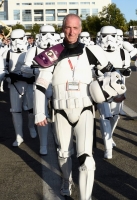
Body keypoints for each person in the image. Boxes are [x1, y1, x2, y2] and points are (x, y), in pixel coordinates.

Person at [31, 14, 126, 199]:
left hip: (84, 110)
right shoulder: (53, 52)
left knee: (87, 161)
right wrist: (39, 112)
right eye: (68, 27)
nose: (71, 31)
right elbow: (40, 85)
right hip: (60, 111)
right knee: (64, 154)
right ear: (62, 28)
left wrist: (117, 93)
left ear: (80, 29)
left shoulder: (92, 51)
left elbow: (111, 74)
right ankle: (66, 181)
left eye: (75, 28)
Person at [21, 25, 57, 155]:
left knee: (59, 115)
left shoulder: (59, 50)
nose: (48, 37)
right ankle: (43, 145)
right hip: (38, 85)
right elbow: (24, 68)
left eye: (51, 34)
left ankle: (60, 142)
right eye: (45, 33)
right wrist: (36, 70)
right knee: (39, 114)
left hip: (55, 85)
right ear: (39, 35)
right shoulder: (34, 50)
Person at [97, 25, 131, 159]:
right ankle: (108, 148)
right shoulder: (96, 51)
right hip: (101, 89)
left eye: (111, 35)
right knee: (105, 116)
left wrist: (126, 71)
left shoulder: (123, 53)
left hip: (118, 90)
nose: (108, 39)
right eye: (105, 36)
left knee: (115, 116)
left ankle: (109, 137)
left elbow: (126, 71)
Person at [1, 29, 37, 146]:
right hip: (14, 85)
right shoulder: (6, 53)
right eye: (14, 39)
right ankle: (19, 136)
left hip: (29, 84)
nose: (17, 42)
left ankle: (31, 126)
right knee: (15, 111)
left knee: (31, 110)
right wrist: (7, 77)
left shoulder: (31, 52)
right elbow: (3, 69)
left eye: (19, 39)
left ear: (25, 39)